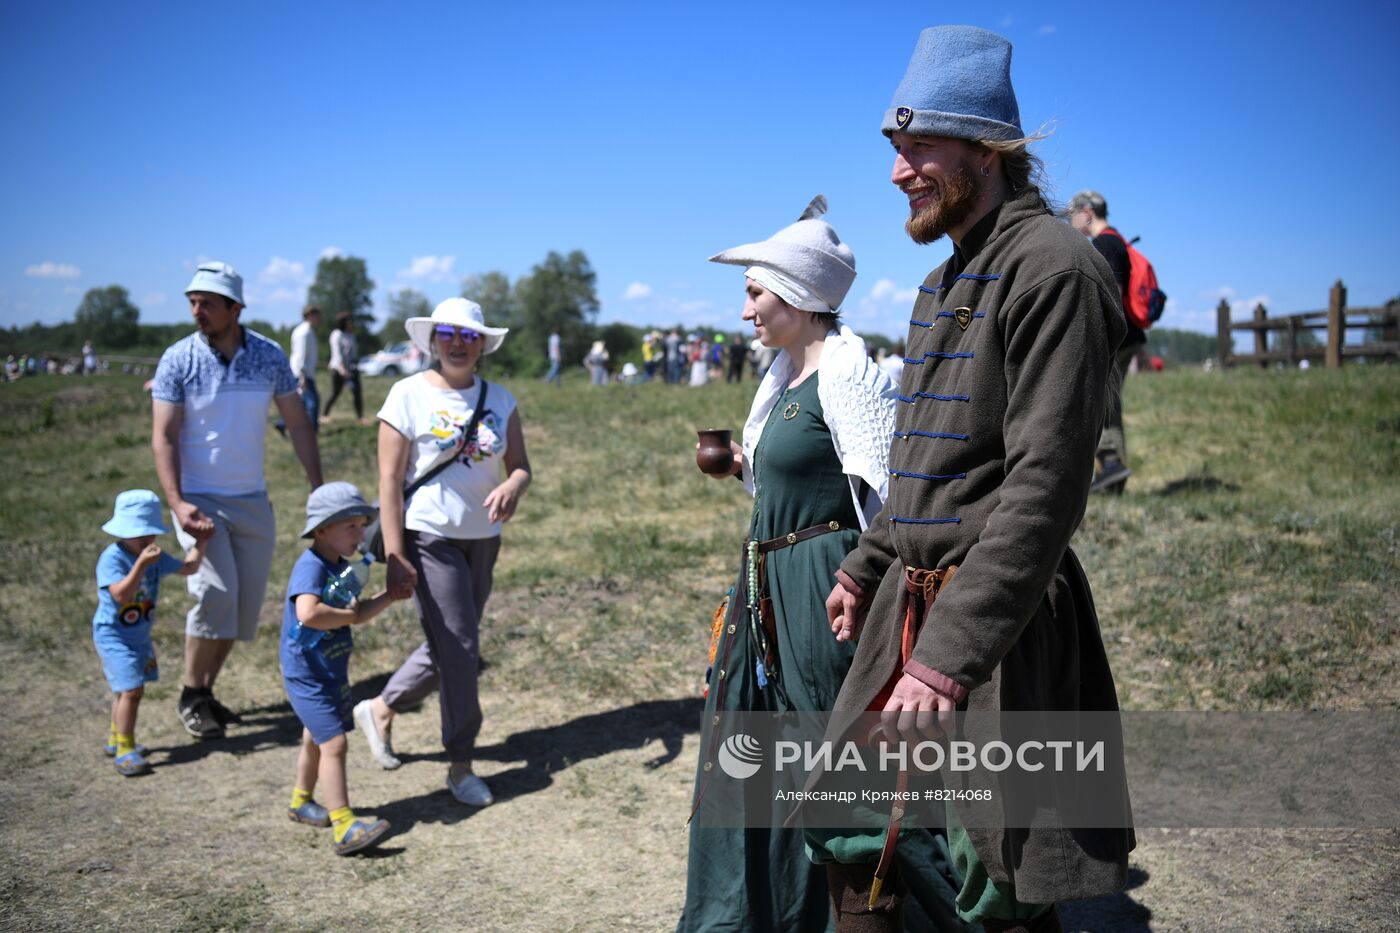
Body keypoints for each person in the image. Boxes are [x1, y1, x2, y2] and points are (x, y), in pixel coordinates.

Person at [817, 26, 1134, 932]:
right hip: (905, 612)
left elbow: (1045, 488)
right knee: (852, 838)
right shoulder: (939, 285)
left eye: (919, 147)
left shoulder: (1054, 270)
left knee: (995, 871)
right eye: (894, 148)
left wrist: (952, 656)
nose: (898, 170)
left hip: (997, 633)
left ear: (986, 151)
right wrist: (866, 561)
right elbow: (923, 459)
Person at [679, 199, 908, 931]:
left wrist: (864, 583)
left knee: (839, 763)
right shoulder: (782, 379)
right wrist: (746, 465)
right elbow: (790, 484)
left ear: (801, 296)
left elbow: (884, 491)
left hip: (822, 588)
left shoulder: (844, 374)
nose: (744, 309)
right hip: (770, 584)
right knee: (766, 755)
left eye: (755, 291)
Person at [353, 298, 532, 805]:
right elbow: (389, 481)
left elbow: (520, 465)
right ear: (432, 341)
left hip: (484, 540)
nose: (458, 343)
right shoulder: (405, 394)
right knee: (459, 648)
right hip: (428, 536)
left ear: (482, 345)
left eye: (469, 335)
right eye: (449, 333)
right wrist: (393, 552)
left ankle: (382, 708)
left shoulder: (501, 397)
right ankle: (460, 764)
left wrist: (513, 488)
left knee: (455, 642)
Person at [152, 261, 323, 740]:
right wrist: (178, 501)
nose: (196, 310)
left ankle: (206, 692)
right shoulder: (177, 359)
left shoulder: (268, 356)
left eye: (207, 303)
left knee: (242, 608)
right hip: (199, 500)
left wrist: (318, 487)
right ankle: (190, 693)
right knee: (215, 596)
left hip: (251, 498)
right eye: (192, 301)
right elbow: (163, 437)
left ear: (235, 308)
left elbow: (299, 423)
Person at [281, 482, 410, 855]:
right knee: (334, 742)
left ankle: (301, 801)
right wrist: (348, 614)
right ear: (321, 530)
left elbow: (357, 615)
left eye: (361, 525)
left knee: (315, 737)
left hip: (330, 669)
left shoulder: (342, 567)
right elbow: (309, 614)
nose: (360, 533)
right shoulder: (312, 567)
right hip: (306, 672)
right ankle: (344, 825)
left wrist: (389, 596)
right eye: (350, 527)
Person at [92, 490, 209, 776]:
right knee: (131, 690)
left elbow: (189, 567)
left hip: (138, 636)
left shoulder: (153, 556)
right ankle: (125, 749)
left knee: (128, 689)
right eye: (138, 534)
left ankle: (116, 737)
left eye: (149, 533)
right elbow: (120, 595)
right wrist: (141, 566)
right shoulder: (113, 559)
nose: (146, 540)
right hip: (114, 635)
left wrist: (202, 542)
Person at [1067, 189, 1140, 493]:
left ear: (1087, 212)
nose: (1071, 221)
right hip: (1127, 336)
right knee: (1108, 402)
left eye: (1073, 214)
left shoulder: (1105, 244)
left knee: (1100, 400)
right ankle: (1112, 474)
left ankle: (1111, 465)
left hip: (1115, 337)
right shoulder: (1116, 240)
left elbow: (1114, 294)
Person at [323, 312, 363, 422]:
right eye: (350, 321)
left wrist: (354, 368)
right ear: (344, 322)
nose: (352, 323)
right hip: (338, 369)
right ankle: (324, 415)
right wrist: (342, 370)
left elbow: (353, 354)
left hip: (351, 369)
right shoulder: (336, 334)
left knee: (357, 392)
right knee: (335, 393)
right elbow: (337, 353)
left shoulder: (351, 335)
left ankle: (360, 417)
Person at [288, 304, 323, 432]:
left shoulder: (305, 330)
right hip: (303, 373)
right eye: (317, 316)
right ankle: (312, 430)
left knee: (300, 402)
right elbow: (301, 354)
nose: (319, 319)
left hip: (303, 372)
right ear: (310, 316)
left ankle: (283, 423)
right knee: (313, 401)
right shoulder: (304, 332)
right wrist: (302, 375)